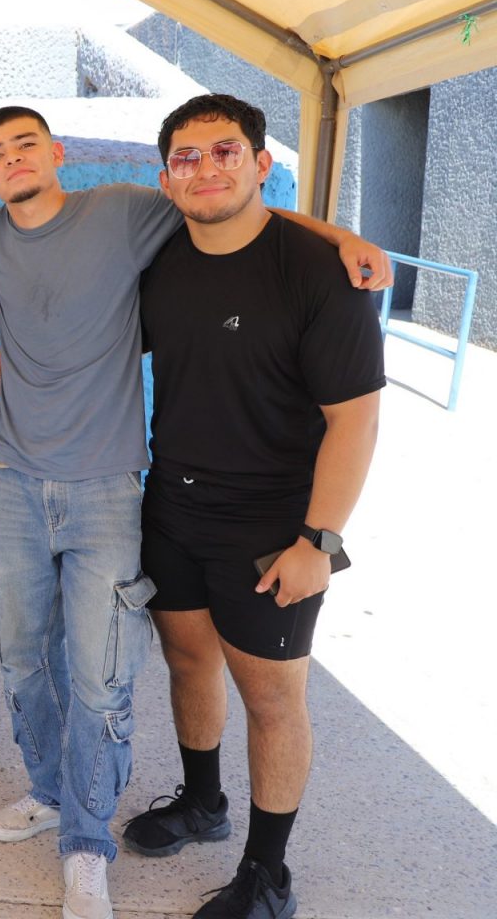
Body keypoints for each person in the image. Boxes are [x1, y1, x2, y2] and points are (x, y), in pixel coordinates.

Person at [0, 106, 389, 919]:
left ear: (56, 153)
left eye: (26, 144)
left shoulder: (124, 210)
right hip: (19, 485)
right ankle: (56, 792)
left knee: (102, 679)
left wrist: (341, 236)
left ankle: (88, 843)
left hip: (111, 491)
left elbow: (234, 209)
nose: (12, 159)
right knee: (23, 658)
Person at [121, 94, 383, 919]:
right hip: (172, 508)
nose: (206, 168)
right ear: (166, 179)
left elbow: (355, 420)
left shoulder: (319, 274)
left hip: (272, 526)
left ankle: (268, 875)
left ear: (262, 163)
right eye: (187, 157)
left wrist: (319, 541)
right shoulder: (161, 258)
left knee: (271, 699)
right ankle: (203, 802)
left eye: (226, 151)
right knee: (188, 661)